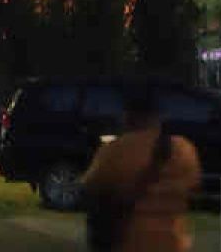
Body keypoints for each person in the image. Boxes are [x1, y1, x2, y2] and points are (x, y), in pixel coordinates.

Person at [81, 84, 202, 252]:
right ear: (157, 117)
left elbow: (90, 187)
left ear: (127, 116)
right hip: (173, 243)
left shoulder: (114, 151)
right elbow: (192, 185)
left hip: (130, 243)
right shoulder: (183, 149)